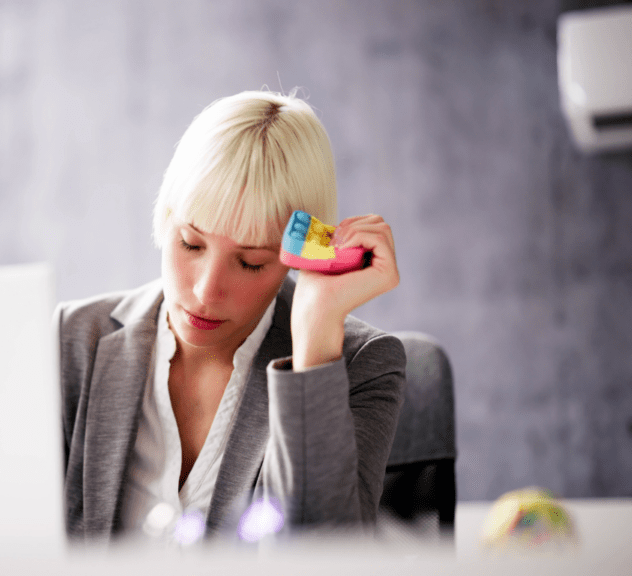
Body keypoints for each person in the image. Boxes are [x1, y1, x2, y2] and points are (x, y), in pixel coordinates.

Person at [55, 90, 405, 545]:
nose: (205, 291)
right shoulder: (74, 341)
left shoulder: (364, 366)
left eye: (251, 262)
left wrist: (315, 338)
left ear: (297, 258)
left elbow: (320, 560)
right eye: (191, 244)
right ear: (166, 218)